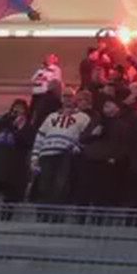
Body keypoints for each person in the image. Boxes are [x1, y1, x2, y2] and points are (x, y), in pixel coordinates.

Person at [31, 90, 93, 222]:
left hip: (65, 155)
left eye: (70, 96)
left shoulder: (83, 117)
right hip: (46, 154)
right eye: (65, 96)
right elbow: (40, 136)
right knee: (44, 185)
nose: (67, 99)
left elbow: (87, 137)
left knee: (61, 185)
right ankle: (42, 216)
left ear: (75, 99)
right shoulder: (51, 116)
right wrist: (35, 156)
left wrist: (76, 148)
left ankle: (56, 216)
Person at [0, 99, 38, 221]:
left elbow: (28, 140)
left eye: (21, 108)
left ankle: (6, 218)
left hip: (15, 163)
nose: (17, 110)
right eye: (16, 107)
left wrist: (19, 127)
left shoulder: (28, 125)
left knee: (11, 194)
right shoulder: (5, 121)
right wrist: (7, 118)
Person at [75, 98, 130, 222]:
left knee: (102, 193)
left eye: (110, 104)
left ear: (117, 108)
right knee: (84, 191)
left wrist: (115, 158)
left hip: (107, 163)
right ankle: (80, 218)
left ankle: (98, 219)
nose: (107, 106)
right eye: (105, 104)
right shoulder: (95, 122)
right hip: (90, 160)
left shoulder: (122, 125)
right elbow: (82, 138)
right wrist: (93, 134)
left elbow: (124, 145)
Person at [30, 53, 64, 129]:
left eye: (53, 58)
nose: (49, 59)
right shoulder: (40, 70)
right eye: (49, 58)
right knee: (33, 113)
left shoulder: (56, 69)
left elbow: (56, 82)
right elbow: (32, 80)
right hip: (36, 94)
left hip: (45, 95)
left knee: (41, 113)